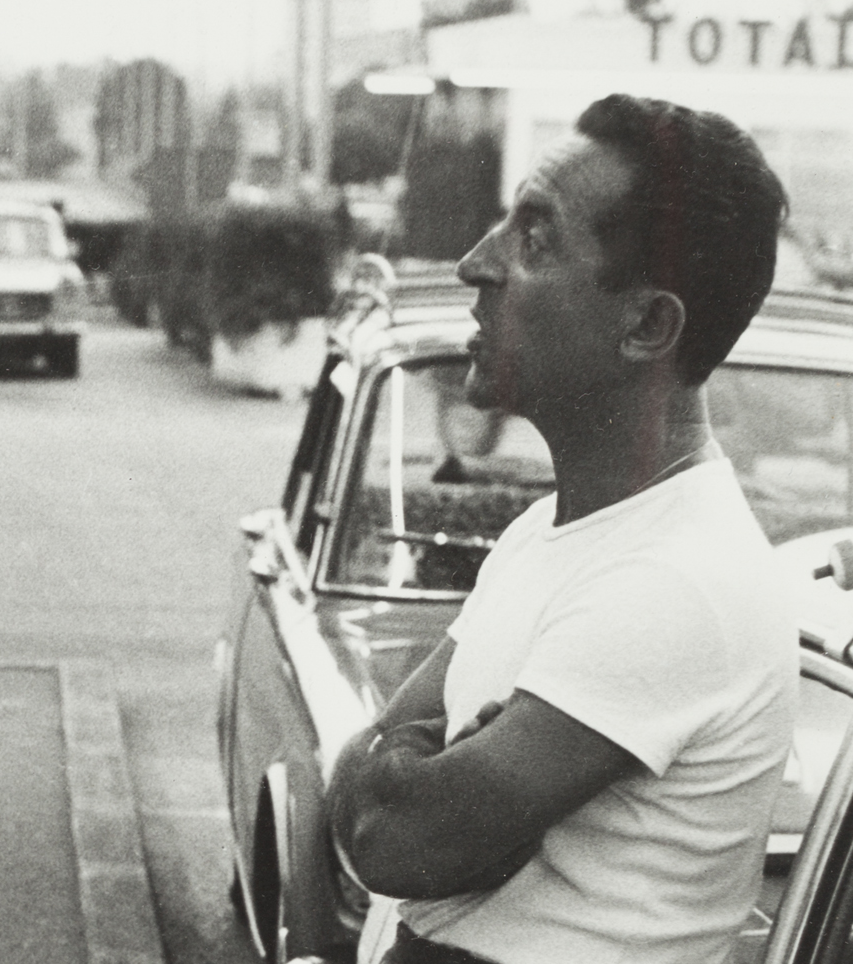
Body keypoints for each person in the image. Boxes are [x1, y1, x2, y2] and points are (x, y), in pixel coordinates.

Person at [326, 93, 798, 964]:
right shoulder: (545, 535)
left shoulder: (674, 579)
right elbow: (368, 815)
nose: (477, 263)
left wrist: (399, 764)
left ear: (649, 326)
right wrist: (398, 770)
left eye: (535, 238)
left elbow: (394, 838)